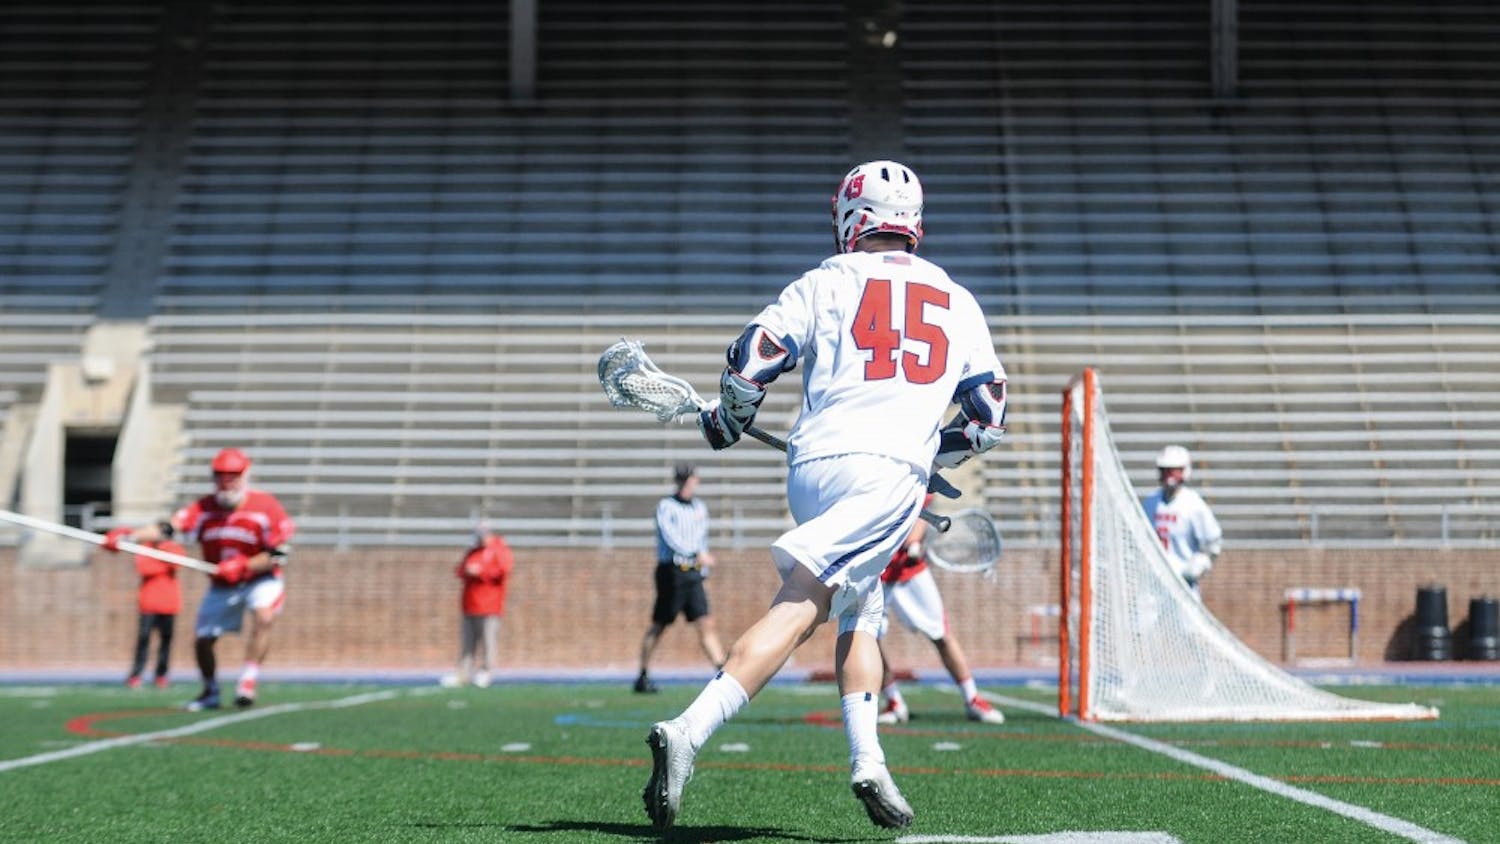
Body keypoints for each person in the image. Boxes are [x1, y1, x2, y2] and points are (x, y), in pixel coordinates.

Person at [642, 160, 1008, 832]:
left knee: (861, 610)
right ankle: (690, 731)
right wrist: (935, 452)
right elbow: (988, 413)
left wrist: (726, 420)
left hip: (813, 466)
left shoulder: (825, 280)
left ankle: (869, 760)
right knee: (805, 603)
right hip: (887, 473)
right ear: (912, 221)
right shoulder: (955, 296)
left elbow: (749, 358)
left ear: (850, 216)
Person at [103, 447, 295, 711]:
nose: (226, 482)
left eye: (233, 475)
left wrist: (244, 565)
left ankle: (248, 681)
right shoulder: (204, 508)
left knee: (264, 616)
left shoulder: (266, 507)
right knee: (203, 639)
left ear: (245, 475)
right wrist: (129, 537)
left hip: (259, 579)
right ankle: (210, 691)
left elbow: (279, 554)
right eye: (220, 475)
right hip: (222, 584)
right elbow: (167, 528)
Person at [873, 494, 1004, 725]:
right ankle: (894, 701)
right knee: (868, 640)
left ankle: (972, 698)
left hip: (908, 569)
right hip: (873, 571)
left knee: (942, 635)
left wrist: (913, 542)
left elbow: (921, 506)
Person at [634, 463, 726, 694]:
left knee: (706, 622)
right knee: (660, 624)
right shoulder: (666, 506)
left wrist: (702, 569)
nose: (687, 483)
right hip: (672, 572)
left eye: (690, 479)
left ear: (696, 480)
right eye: (683, 479)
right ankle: (643, 674)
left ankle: (723, 674)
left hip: (693, 573)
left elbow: (702, 539)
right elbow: (671, 538)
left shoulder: (699, 508)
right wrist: (696, 554)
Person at [1141, 445, 1222, 599]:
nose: (1169, 475)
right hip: (1152, 587)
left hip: (1182, 587)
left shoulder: (1193, 504)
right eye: (1165, 470)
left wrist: (1199, 564)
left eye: (1174, 470)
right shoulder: (1150, 502)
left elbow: (1213, 543)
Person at [441, 523, 514, 688]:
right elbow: (460, 570)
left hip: (489, 605)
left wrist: (481, 572)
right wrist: (467, 570)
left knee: (488, 641)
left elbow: (503, 571)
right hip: (469, 604)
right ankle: (463, 673)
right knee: (467, 642)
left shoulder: (499, 549)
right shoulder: (473, 551)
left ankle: (486, 672)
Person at [124, 538, 185, 690]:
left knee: (166, 642)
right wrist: (163, 564)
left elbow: (177, 563)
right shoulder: (145, 548)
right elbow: (143, 568)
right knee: (143, 640)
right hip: (149, 604)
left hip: (169, 604)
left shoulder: (173, 547)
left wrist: (158, 559)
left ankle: (161, 674)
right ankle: (136, 674)